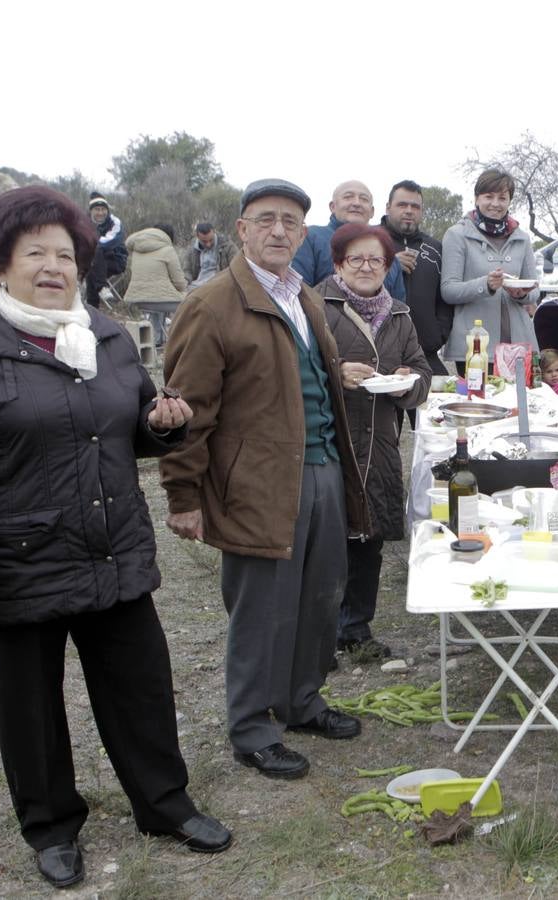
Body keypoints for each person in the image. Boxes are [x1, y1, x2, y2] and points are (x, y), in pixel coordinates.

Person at [0, 186, 231, 890]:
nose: (53, 266)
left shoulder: (107, 336)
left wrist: (163, 425)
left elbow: (128, 423)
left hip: (112, 548)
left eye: (65, 253)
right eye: (36, 253)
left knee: (142, 691)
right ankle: (52, 826)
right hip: (17, 565)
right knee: (30, 710)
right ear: (2, 262)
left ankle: (164, 804)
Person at [161, 178, 368, 780]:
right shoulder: (211, 303)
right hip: (256, 481)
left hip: (323, 467)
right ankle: (252, 727)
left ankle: (302, 701)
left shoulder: (302, 295)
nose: (279, 231)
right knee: (263, 610)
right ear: (242, 230)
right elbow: (186, 408)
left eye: (290, 223)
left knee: (320, 597)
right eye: (265, 220)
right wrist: (183, 494)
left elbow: (302, 379)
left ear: (304, 234)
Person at [316, 223, 432, 660]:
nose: (366, 267)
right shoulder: (316, 306)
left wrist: (408, 385)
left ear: (387, 267)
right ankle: (321, 635)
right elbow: (292, 371)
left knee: (369, 540)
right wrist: (336, 373)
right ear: (338, 264)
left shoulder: (399, 315)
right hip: (331, 441)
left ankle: (356, 630)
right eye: (356, 259)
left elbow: (422, 371)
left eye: (375, 260)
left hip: (380, 443)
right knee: (328, 542)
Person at [441, 169, 540, 366]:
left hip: (518, 346)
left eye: (502, 198)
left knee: (518, 397)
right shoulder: (457, 235)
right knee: (478, 398)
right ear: (477, 198)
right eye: (489, 196)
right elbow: (448, 290)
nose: (495, 203)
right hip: (475, 347)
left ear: (509, 201)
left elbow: (534, 291)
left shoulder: (522, 238)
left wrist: (521, 294)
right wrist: (485, 285)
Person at [381, 179, 451, 376]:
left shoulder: (435, 248)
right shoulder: (371, 240)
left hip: (425, 352)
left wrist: (438, 335)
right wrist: (390, 265)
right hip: (378, 354)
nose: (409, 210)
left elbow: (444, 297)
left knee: (437, 405)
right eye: (402, 205)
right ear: (388, 207)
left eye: (415, 206)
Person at [292, 180, 405, 298]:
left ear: (372, 211)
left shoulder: (384, 248)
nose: (357, 203)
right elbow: (299, 293)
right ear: (333, 206)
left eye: (364, 199)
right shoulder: (311, 237)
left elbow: (398, 307)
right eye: (348, 197)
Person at [120, 222, 187, 345]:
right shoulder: (168, 250)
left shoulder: (136, 250)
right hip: (160, 301)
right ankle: (182, 341)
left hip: (137, 300)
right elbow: (180, 284)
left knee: (158, 299)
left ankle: (157, 339)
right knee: (188, 303)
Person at [85, 192, 126, 308]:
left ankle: (99, 292)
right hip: (95, 263)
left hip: (116, 260)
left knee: (95, 251)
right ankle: (93, 310)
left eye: (103, 209)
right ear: (91, 211)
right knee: (91, 267)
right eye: (97, 209)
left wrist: (89, 243)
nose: (100, 212)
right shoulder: (84, 222)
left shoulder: (115, 222)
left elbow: (110, 242)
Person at [182, 222, 238, 289]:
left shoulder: (228, 246)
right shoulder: (191, 249)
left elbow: (237, 267)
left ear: (214, 232)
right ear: (197, 237)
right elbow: (187, 270)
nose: (208, 244)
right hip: (197, 285)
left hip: (220, 284)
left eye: (211, 240)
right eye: (204, 241)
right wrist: (186, 281)